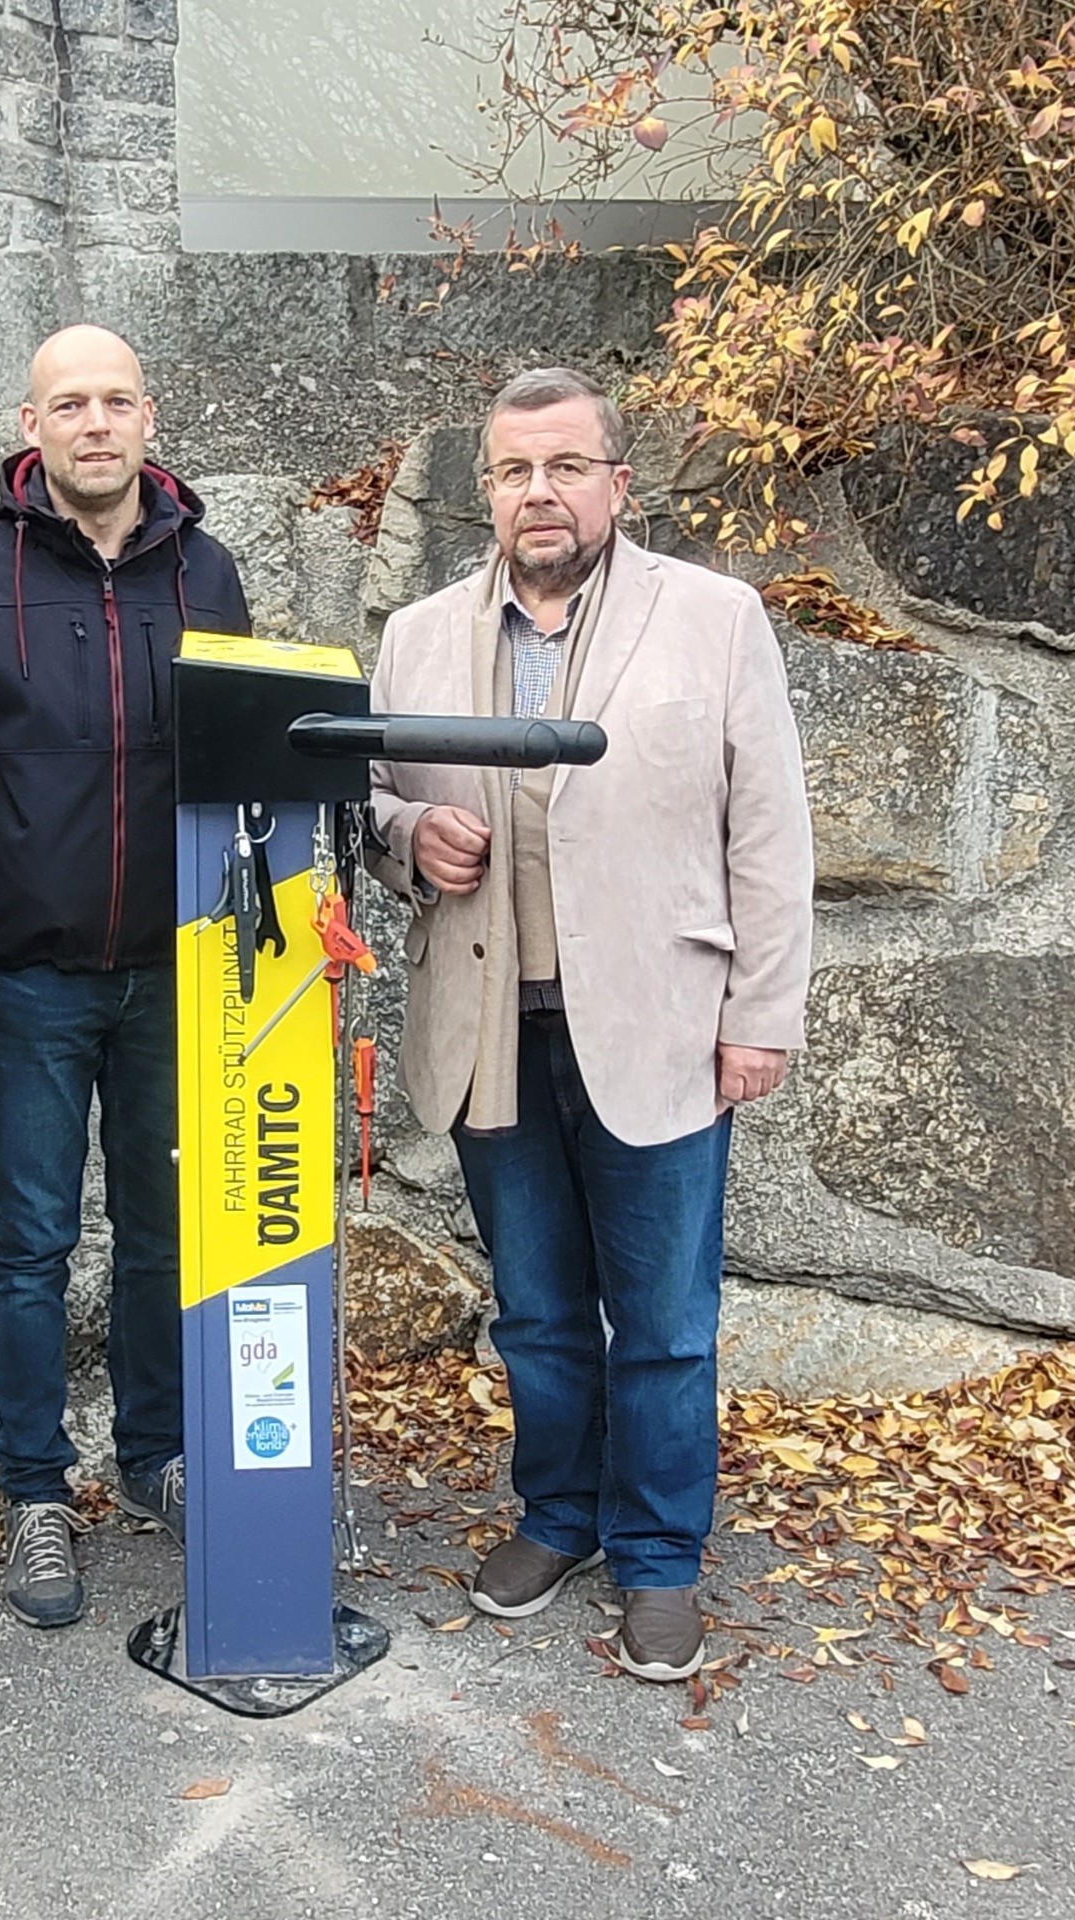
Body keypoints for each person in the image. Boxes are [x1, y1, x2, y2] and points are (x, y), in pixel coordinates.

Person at [366, 366, 814, 1683]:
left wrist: (761, 1014)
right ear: (487, 493)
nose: (540, 492)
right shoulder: (418, 636)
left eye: (567, 466)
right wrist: (407, 837)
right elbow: (375, 791)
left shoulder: (715, 618)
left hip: (665, 1025)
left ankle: (661, 1556)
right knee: (541, 1314)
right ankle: (559, 1516)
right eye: (515, 471)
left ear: (618, 482)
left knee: (665, 1322)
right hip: (494, 1023)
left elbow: (769, 828)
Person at [0, 324, 251, 1628]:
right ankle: (35, 1492)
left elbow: (243, 769)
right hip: (32, 977)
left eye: (115, 400)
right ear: (31, 424)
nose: (95, 422)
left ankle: (155, 1457)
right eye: (70, 403)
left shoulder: (205, 575)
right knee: (34, 1242)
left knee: (168, 1233)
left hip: (172, 973)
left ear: (147, 417)